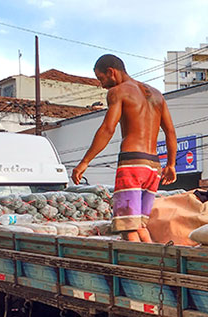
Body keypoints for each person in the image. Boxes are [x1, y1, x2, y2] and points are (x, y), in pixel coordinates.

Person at [72, 54, 177, 243]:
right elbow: (170, 131)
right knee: (139, 225)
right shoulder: (156, 94)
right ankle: (157, 266)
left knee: (127, 229)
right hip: (154, 167)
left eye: (101, 79)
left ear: (111, 72)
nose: (102, 85)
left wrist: (84, 162)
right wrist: (171, 164)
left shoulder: (118, 92)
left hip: (132, 164)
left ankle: (139, 271)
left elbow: (107, 129)